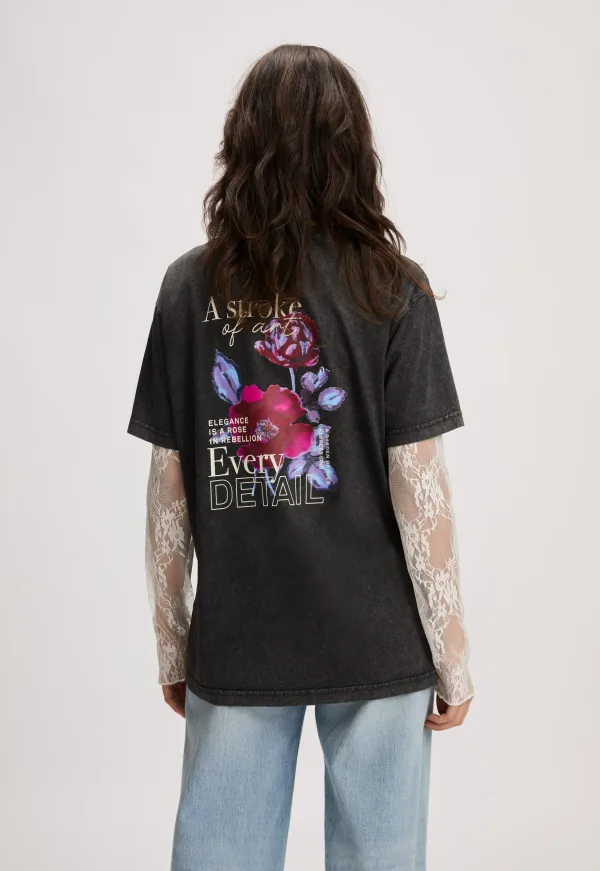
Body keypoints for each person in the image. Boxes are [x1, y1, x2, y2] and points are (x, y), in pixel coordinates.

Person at [127, 43, 474, 871]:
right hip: (376, 639)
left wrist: (175, 643)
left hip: (239, 637)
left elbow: (168, 489)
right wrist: (452, 655)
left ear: (242, 145)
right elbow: (419, 488)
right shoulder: (392, 287)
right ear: (353, 150)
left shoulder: (188, 288)